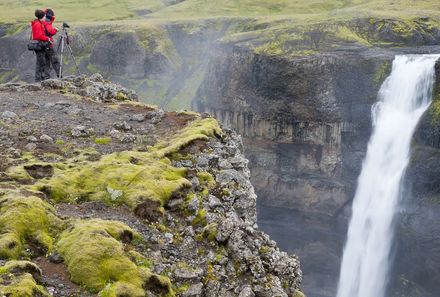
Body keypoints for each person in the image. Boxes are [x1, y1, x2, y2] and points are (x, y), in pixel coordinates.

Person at [31, 9, 50, 82]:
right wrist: (47, 38)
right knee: (40, 63)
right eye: (45, 16)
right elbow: (39, 36)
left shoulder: (37, 23)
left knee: (41, 62)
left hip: (39, 45)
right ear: (42, 16)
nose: (45, 17)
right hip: (39, 45)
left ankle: (40, 79)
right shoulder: (38, 24)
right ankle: (38, 81)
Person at [43, 8, 60, 79]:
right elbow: (50, 32)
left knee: (46, 62)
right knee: (55, 60)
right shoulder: (47, 22)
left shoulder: (42, 21)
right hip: (48, 44)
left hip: (42, 44)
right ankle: (60, 75)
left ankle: (46, 77)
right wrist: (55, 30)